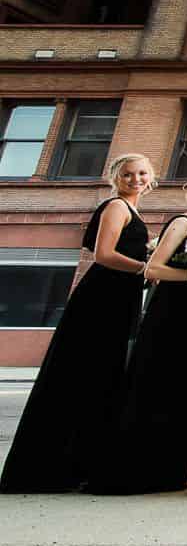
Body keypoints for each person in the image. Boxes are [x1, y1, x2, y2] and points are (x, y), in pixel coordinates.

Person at [2, 155, 154, 493]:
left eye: (141, 173)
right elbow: (103, 254)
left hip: (121, 297)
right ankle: (50, 468)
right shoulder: (116, 206)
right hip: (103, 298)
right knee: (82, 375)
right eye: (128, 174)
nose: (135, 179)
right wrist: (147, 268)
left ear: (150, 177)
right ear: (116, 177)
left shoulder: (133, 210)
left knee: (100, 380)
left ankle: (78, 464)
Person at [91, 168, 187, 494]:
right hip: (171, 315)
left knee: (183, 392)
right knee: (156, 386)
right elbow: (154, 269)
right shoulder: (181, 223)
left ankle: (166, 473)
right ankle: (132, 473)